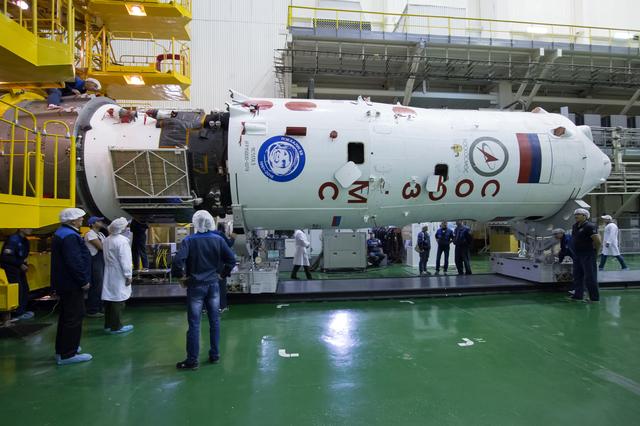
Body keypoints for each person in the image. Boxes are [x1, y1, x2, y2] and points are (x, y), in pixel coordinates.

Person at [172, 211, 236, 370]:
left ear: (195, 223)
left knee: (194, 324)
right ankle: (215, 355)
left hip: (195, 286)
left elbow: (178, 261)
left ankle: (192, 360)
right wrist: (222, 275)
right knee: (215, 321)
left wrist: (180, 278)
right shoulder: (218, 239)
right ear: (210, 223)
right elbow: (231, 260)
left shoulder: (189, 240)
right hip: (213, 285)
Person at [51, 208, 92, 365]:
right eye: (80, 218)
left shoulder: (62, 232)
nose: (82, 220)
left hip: (65, 282)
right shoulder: (69, 236)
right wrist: (83, 281)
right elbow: (74, 261)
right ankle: (68, 354)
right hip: (72, 284)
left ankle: (64, 349)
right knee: (74, 316)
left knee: (67, 316)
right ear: (72, 221)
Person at [102, 218, 134, 334]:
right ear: (122, 228)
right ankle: (116, 327)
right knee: (118, 300)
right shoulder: (122, 241)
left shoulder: (107, 239)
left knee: (109, 299)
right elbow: (125, 260)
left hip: (109, 271)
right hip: (119, 272)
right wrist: (128, 275)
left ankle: (108, 325)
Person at [0, 228, 34, 320]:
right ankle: (16, 313)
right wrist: (20, 264)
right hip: (10, 269)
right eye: (28, 227)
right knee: (18, 290)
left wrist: (24, 264)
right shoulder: (13, 240)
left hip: (19, 269)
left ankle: (21, 311)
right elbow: (6, 257)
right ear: (21, 228)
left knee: (25, 289)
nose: (31, 229)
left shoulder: (25, 241)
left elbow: (23, 255)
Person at [569, 208, 602, 302]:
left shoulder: (590, 226)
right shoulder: (575, 226)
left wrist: (596, 253)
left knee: (590, 276)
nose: (576, 216)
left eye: (578, 214)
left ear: (585, 216)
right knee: (577, 275)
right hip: (577, 254)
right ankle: (578, 295)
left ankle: (594, 298)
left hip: (588, 254)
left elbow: (598, 241)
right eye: (575, 214)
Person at [84, 216, 106, 318]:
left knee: (100, 285)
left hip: (101, 260)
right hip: (95, 261)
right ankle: (92, 310)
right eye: (98, 221)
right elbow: (101, 247)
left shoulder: (100, 234)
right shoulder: (90, 234)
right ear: (92, 224)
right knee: (96, 285)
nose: (101, 222)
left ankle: (99, 307)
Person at [213, 222, 235, 313]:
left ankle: (205, 308)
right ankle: (222, 306)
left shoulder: (205, 235)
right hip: (219, 264)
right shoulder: (220, 234)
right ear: (224, 228)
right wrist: (233, 237)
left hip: (207, 266)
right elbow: (229, 244)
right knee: (221, 286)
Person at [553, 228, 577, 295]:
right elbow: (563, 250)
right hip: (576, 258)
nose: (555, 236)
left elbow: (566, 251)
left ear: (561, 233)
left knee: (577, 274)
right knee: (576, 274)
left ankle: (578, 290)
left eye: (556, 234)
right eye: (554, 234)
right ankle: (577, 289)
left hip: (577, 258)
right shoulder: (563, 239)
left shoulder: (567, 239)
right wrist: (560, 259)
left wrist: (560, 260)